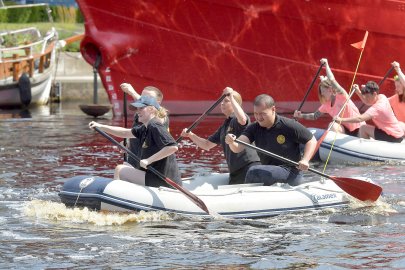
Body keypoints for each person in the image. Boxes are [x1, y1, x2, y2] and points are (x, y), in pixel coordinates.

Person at [89, 95, 182, 188]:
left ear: (151, 109)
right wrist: (100, 126)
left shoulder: (155, 125)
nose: (137, 112)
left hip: (163, 181)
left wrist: (148, 160)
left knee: (119, 169)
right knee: (126, 166)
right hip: (154, 177)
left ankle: (118, 197)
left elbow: (172, 147)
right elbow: (124, 132)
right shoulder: (145, 128)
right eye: (137, 109)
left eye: (141, 108)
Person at [225, 94, 317, 186]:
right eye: (256, 114)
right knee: (253, 171)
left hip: (291, 172)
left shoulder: (288, 125)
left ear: (273, 109)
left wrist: (305, 160)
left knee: (253, 171)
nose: (259, 118)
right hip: (270, 171)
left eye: (262, 114)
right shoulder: (254, 128)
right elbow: (237, 147)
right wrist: (231, 142)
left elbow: (312, 140)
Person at [180, 87, 261, 184]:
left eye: (226, 101)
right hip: (236, 171)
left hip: (249, 167)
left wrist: (230, 95)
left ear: (236, 104)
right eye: (222, 101)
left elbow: (243, 120)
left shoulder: (239, 119)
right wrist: (190, 135)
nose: (222, 103)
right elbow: (206, 145)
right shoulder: (224, 126)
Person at [294, 58, 365, 136]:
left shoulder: (341, 95)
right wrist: (300, 115)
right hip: (345, 130)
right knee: (332, 125)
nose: (322, 94)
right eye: (321, 92)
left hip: (359, 128)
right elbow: (314, 116)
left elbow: (332, 80)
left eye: (323, 91)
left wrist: (326, 65)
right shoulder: (326, 105)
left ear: (331, 90)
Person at [118, 83, 169, 176]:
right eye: (142, 96)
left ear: (157, 102)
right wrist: (128, 142)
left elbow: (156, 114)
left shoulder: (160, 116)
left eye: (148, 97)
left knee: (119, 170)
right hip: (134, 159)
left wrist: (132, 92)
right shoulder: (140, 114)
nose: (143, 99)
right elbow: (137, 132)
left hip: (149, 167)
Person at [335, 81, 404, 142]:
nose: (366, 98)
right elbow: (367, 102)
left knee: (364, 128)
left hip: (393, 137)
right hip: (397, 134)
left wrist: (341, 119)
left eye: (367, 96)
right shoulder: (382, 97)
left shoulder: (377, 108)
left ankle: (365, 151)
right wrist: (358, 91)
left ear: (374, 94)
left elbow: (360, 119)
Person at [390, 61, 405, 134]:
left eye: (398, 86)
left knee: (400, 124)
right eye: (396, 87)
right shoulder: (395, 98)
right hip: (400, 130)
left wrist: (398, 70)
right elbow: (378, 102)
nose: (396, 89)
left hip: (401, 127)